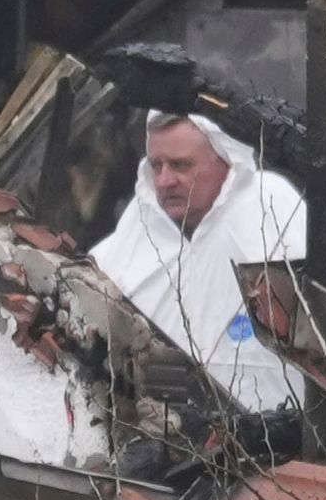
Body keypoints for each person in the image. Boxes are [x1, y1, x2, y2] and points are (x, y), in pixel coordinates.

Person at [93, 112, 314, 431]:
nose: (164, 181)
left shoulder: (272, 209)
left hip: (275, 450)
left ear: (225, 160)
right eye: (156, 166)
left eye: (181, 165)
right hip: (159, 451)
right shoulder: (134, 235)